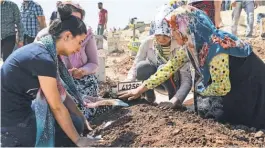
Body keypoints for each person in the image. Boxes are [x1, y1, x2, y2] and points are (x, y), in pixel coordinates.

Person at [119, 5, 265, 129]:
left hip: (248, 81)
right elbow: (168, 68)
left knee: (223, 115)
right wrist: (141, 88)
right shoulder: (191, 45)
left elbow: (222, 87)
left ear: (187, 28)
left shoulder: (215, 48)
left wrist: (199, 90)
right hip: (230, 81)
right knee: (204, 107)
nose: (173, 35)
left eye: (176, 30)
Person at [1, 4, 101, 147]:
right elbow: (57, 106)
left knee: (76, 121)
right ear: (67, 36)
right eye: (79, 42)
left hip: (15, 111)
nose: (79, 48)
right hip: (11, 124)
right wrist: (79, 140)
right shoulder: (44, 59)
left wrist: (81, 117)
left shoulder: (43, 49)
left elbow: (62, 94)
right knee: (73, 127)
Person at [126, 5, 192, 109]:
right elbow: (135, 67)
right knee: (142, 67)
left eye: (165, 36)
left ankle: (172, 101)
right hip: (154, 81)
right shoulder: (147, 42)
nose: (161, 39)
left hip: (174, 82)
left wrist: (176, 100)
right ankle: (149, 98)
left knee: (163, 68)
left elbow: (186, 79)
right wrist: (127, 86)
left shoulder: (181, 46)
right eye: (158, 36)